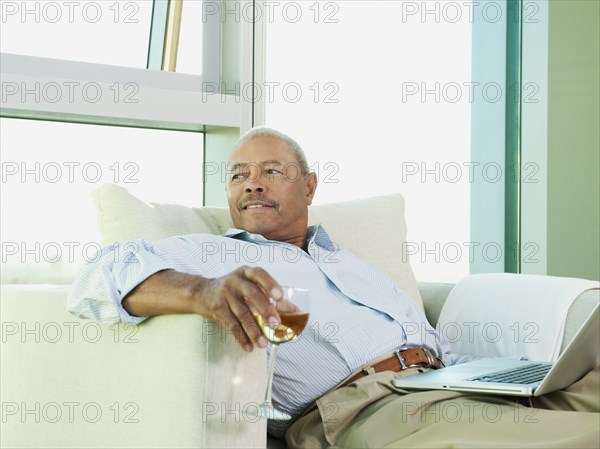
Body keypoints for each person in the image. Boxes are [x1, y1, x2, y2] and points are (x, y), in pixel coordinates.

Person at [68, 127, 599, 448]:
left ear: (309, 186)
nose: (251, 182)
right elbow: (95, 278)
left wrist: (504, 375)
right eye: (237, 175)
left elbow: (425, 338)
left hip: (448, 382)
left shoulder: (352, 265)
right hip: (365, 408)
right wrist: (201, 293)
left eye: (270, 170)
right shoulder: (216, 254)